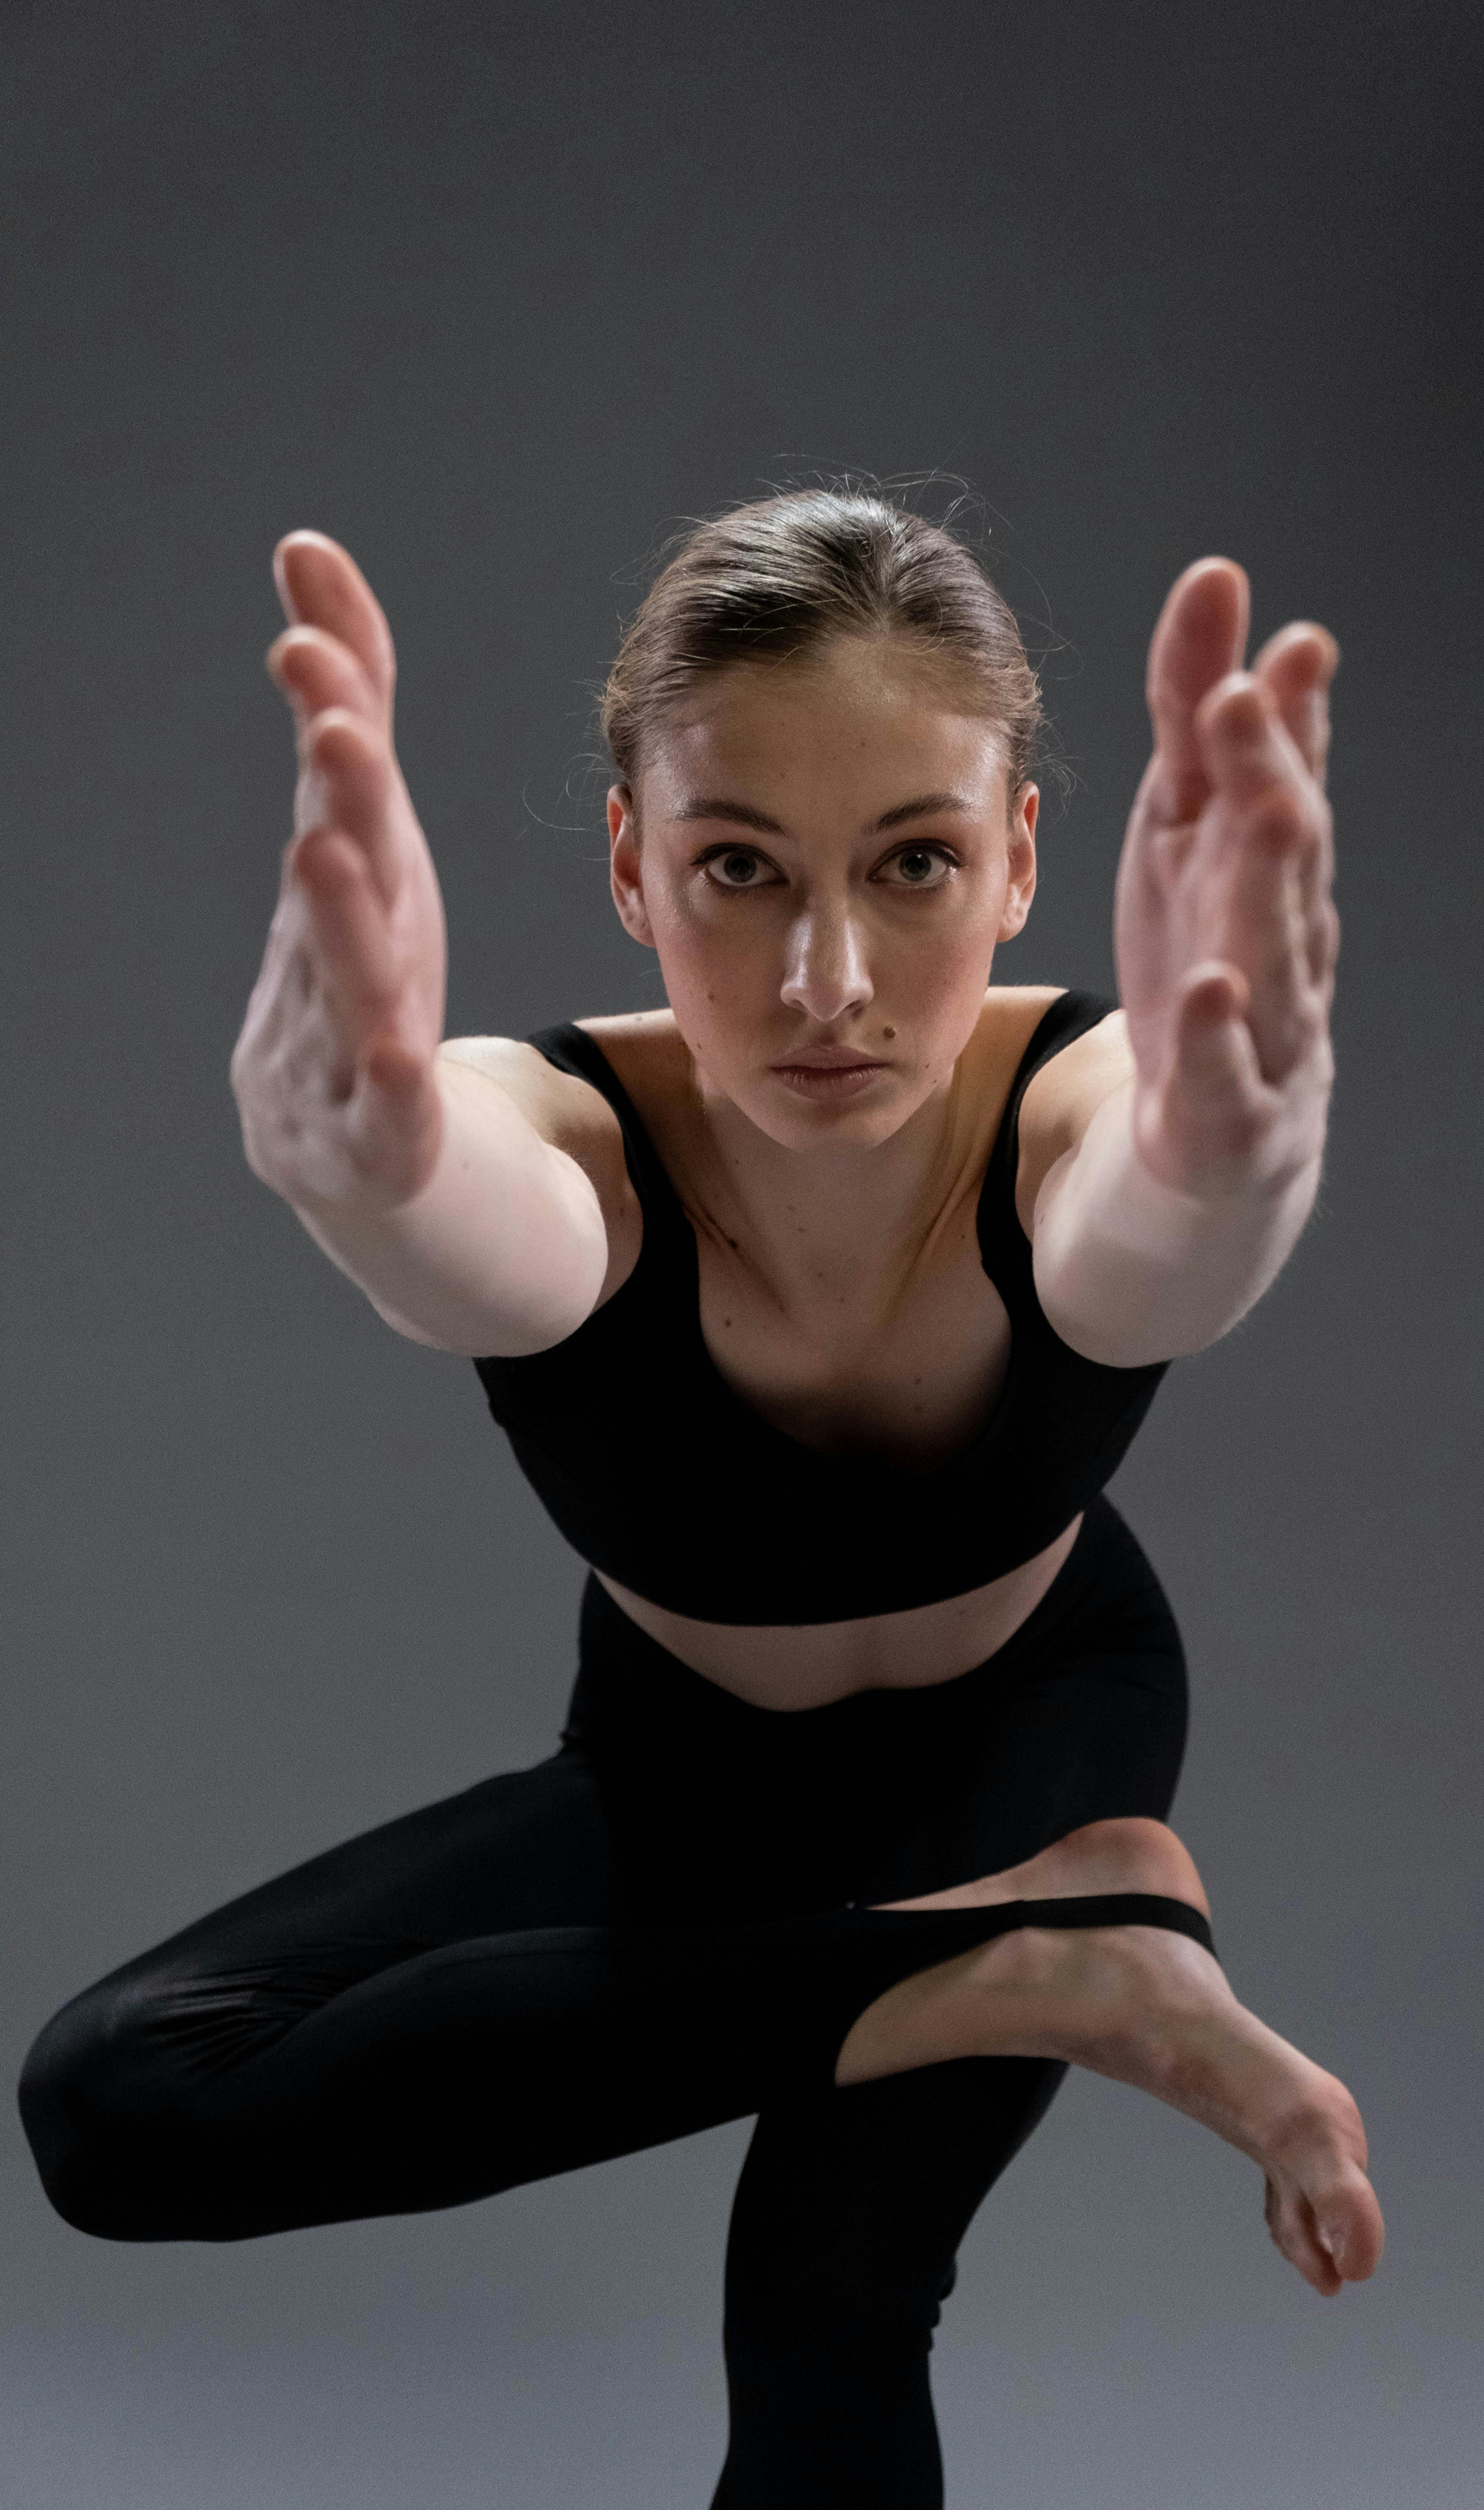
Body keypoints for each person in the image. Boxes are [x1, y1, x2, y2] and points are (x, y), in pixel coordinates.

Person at [19, 490, 1384, 2506]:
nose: (829, 975)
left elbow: (1147, 1229)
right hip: (680, 1772)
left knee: (826, 2297)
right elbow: (481, 1226)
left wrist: (1237, 1156)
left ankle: (1040, 1926)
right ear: (632, 869)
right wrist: (364, 1161)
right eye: (738, 866)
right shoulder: (553, 1120)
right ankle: (1052, 1966)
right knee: (120, 2101)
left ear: (1019, 859)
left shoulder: (1099, 1096)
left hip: (1036, 1746)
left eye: (913, 860)